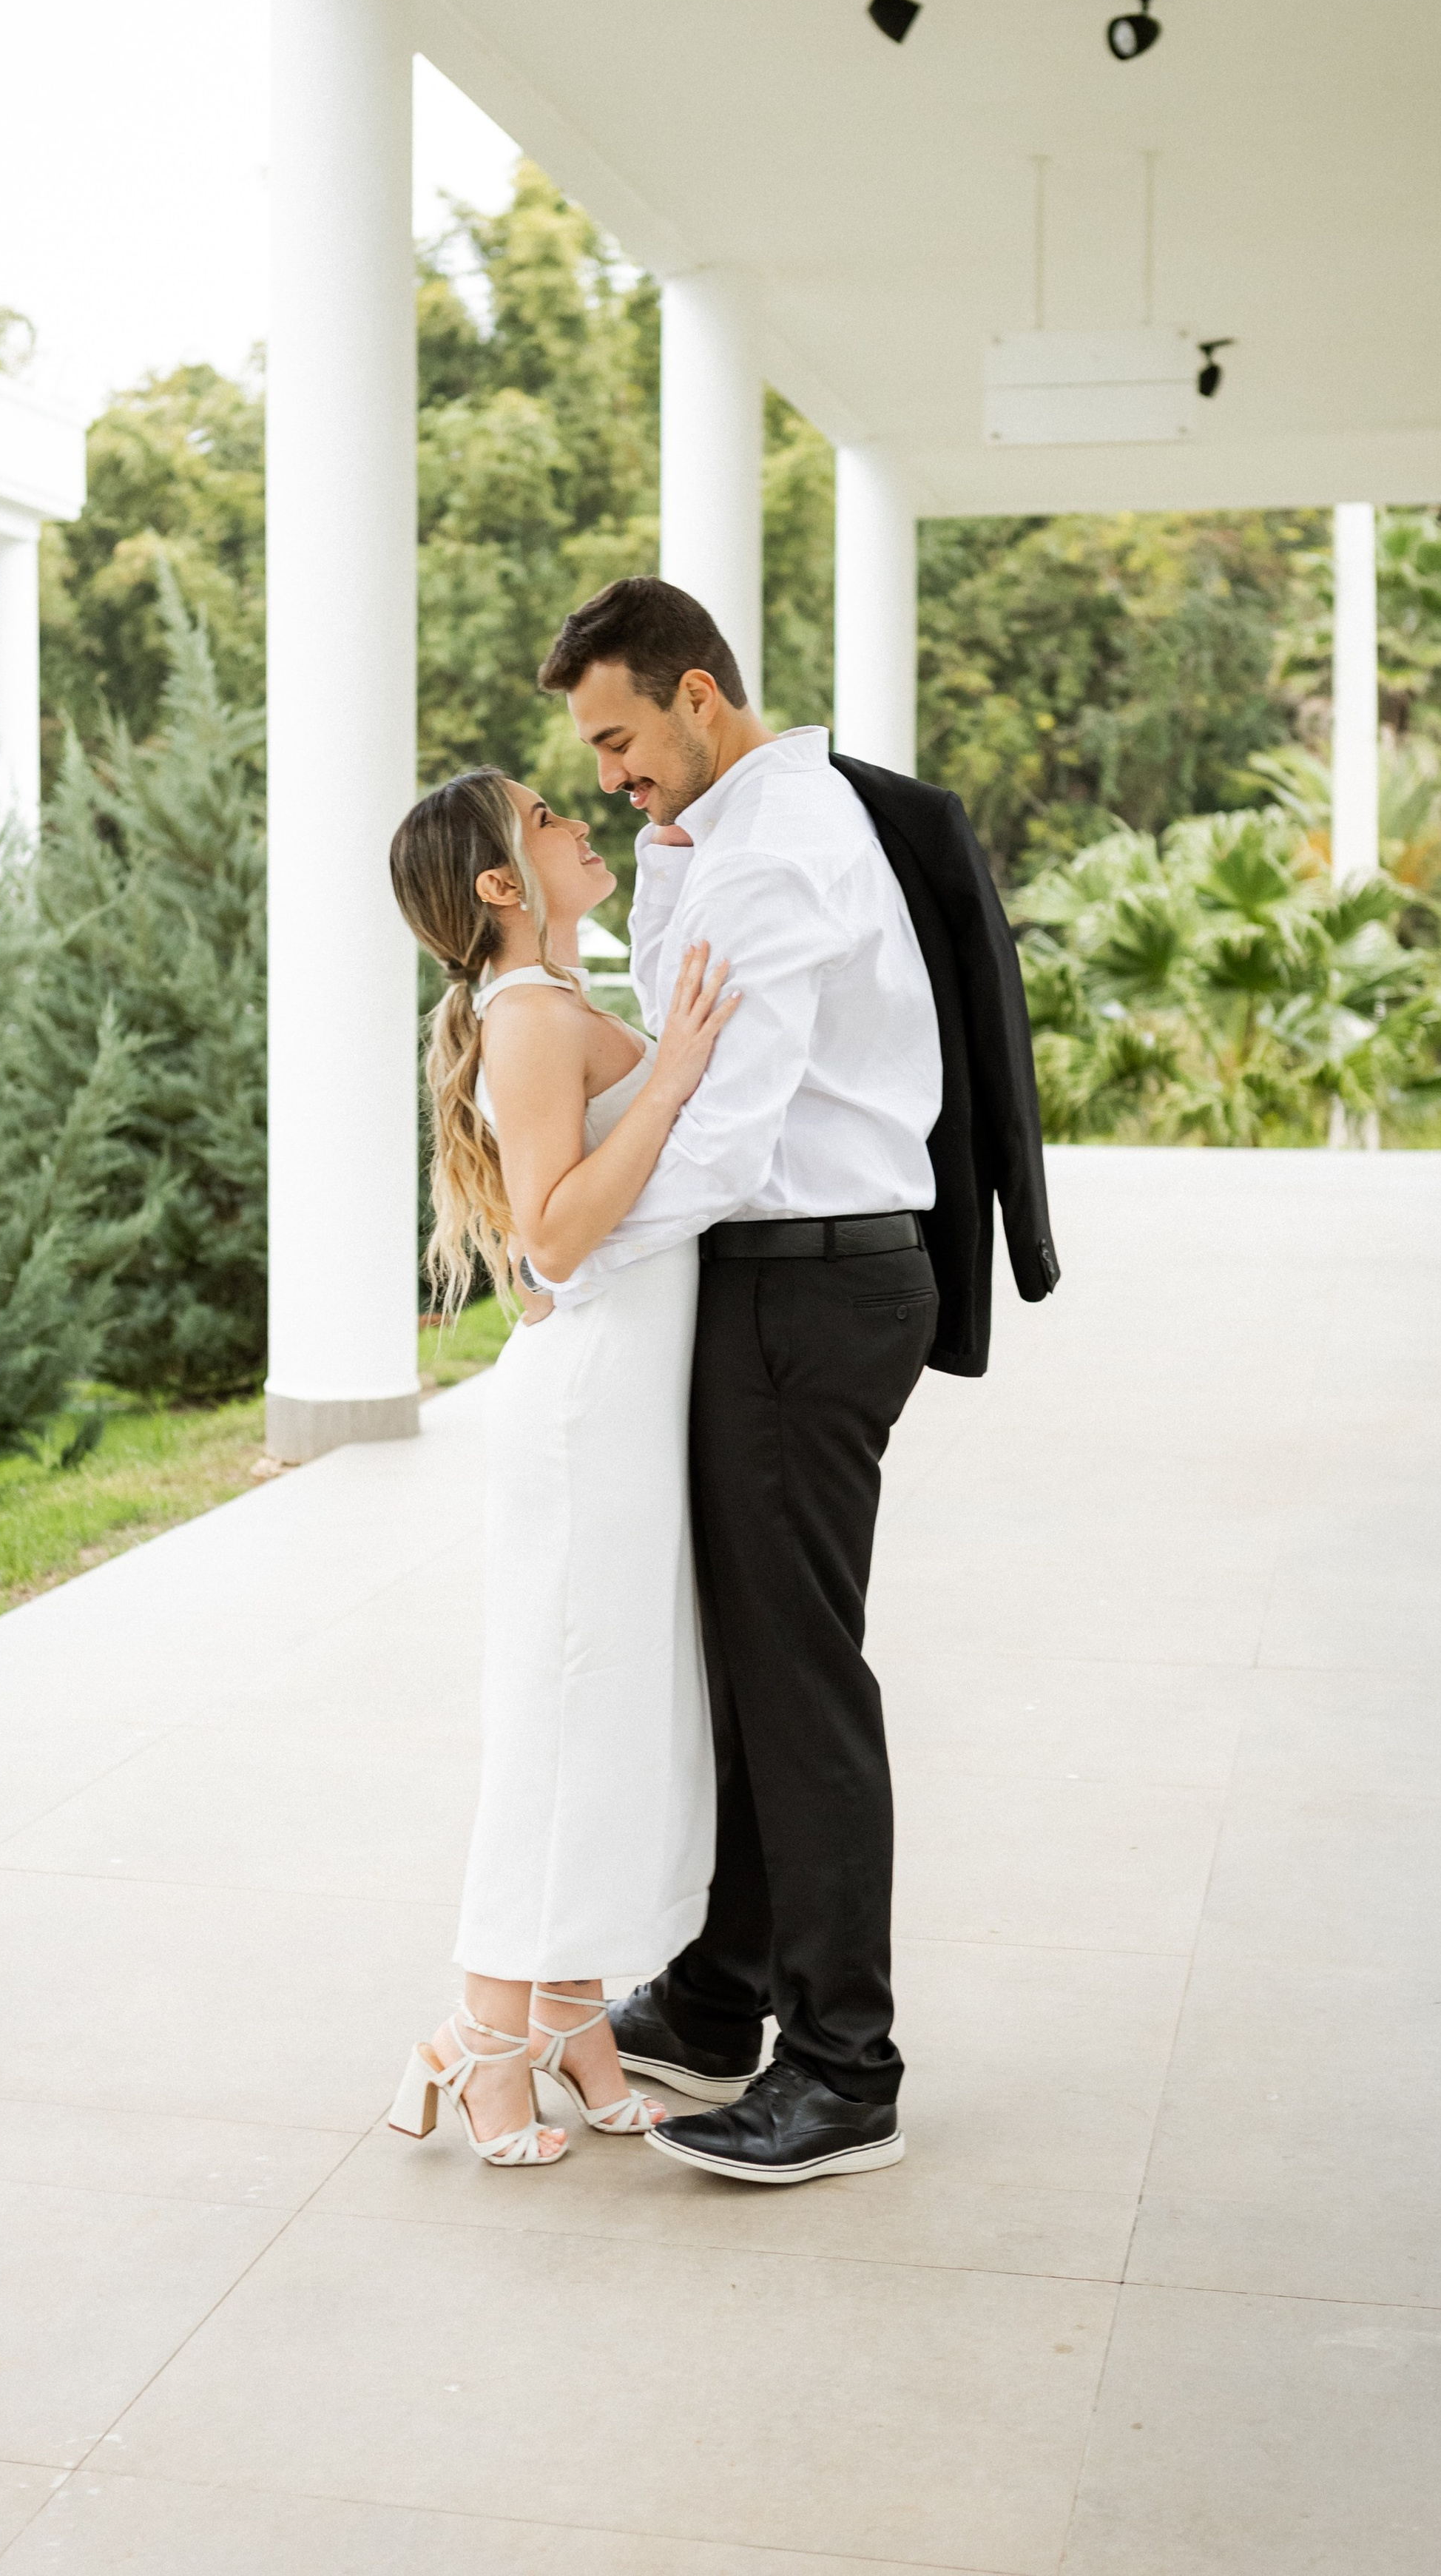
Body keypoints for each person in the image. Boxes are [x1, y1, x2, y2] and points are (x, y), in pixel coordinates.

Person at [536, 576, 1057, 2185]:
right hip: (783, 1282)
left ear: (700, 696)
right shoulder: (710, 838)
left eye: (621, 739)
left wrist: (572, 1260)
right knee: (755, 1657)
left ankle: (843, 2070)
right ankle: (717, 1994)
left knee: (798, 1673)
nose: (610, 773)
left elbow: (726, 1135)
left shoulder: (771, 850)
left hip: (804, 1286)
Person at [384, 766, 738, 2165]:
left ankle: (579, 2028)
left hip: (619, 1408)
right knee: (560, 1721)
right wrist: (681, 1078)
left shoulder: (559, 1009)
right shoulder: (530, 1018)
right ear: (497, 888)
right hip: (587, 1424)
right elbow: (550, 1239)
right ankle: (483, 2053)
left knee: (615, 1721)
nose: (576, 821)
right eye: (545, 819)